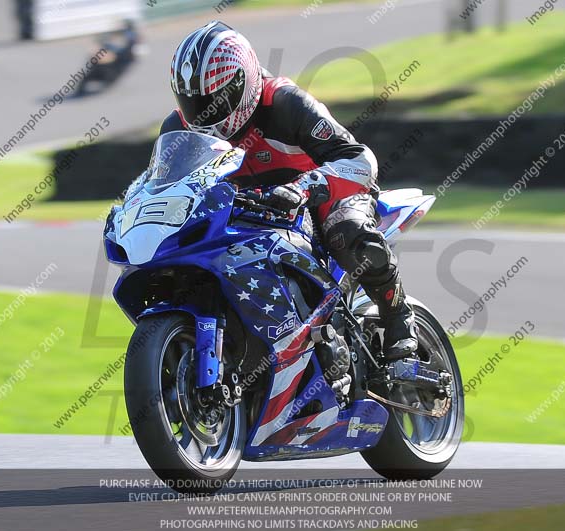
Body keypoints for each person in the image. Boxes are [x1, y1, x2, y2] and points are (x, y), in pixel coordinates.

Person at [161, 21, 417, 360]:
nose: (205, 114)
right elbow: (166, 186)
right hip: (247, 219)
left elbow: (357, 158)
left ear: (245, 82)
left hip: (321, 199)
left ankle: (399, 318)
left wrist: (304, 186)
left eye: (217, 100)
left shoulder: (284, 103)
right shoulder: (177, 129)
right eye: (193, 103)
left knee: (346, 231)